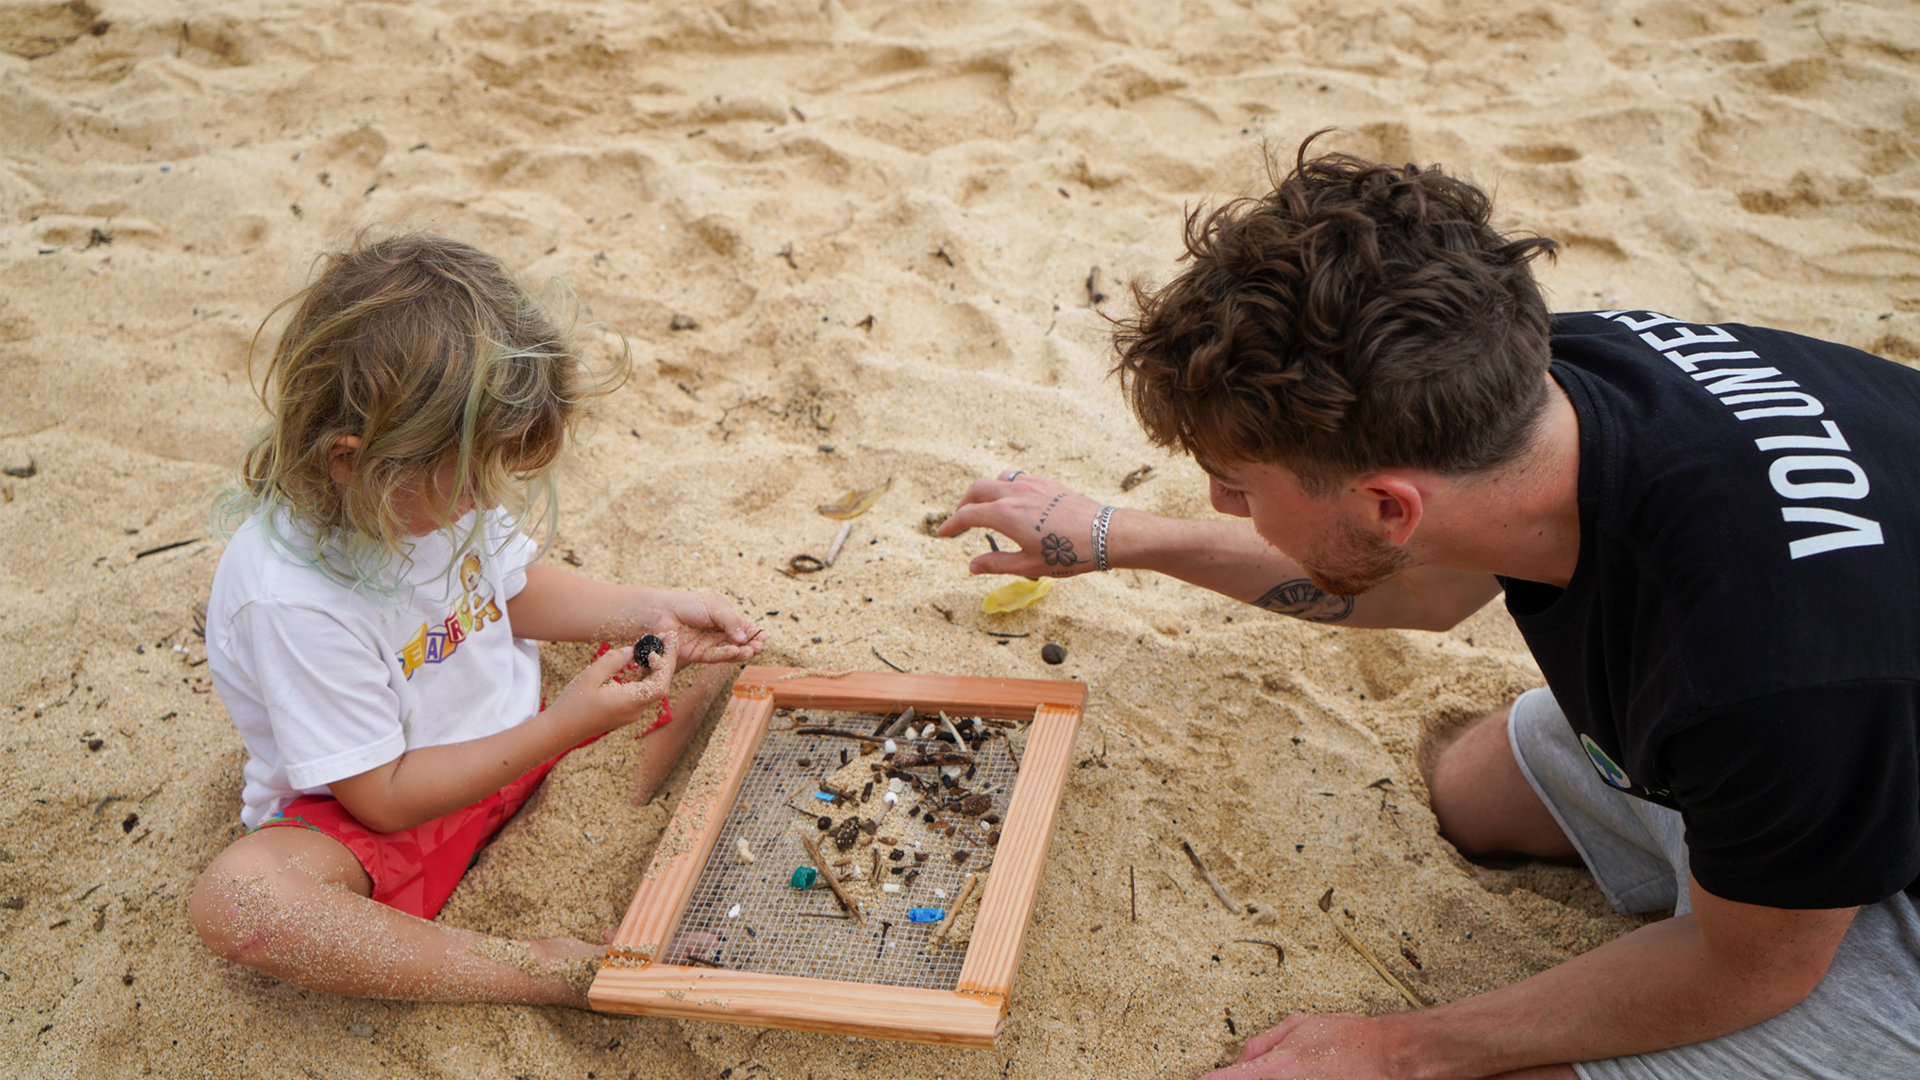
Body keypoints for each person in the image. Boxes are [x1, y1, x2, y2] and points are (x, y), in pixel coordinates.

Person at [941, 138, 1920, 1079]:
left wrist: (1400, 1050)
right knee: (1471, 791)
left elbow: (1748, 969)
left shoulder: (1761, 675)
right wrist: (1115, 535)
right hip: (1811, 744)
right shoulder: (1560, 377)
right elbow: (1425, 583)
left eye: (1237, 483)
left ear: (1387, 504)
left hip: (1820, 868)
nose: (1221, 504)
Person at [188, 233, 766, 1006]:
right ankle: (544, 969)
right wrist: (560, 727)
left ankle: (583, 829)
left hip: (522, 742)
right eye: (465, 479)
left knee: (709, 656)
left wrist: (647, 609)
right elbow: (381, 796)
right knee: (242, 904)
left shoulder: (426, 496)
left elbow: (511, 588)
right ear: (353, 461)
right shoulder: (287, 596)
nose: (483, 501)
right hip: (391, 818)